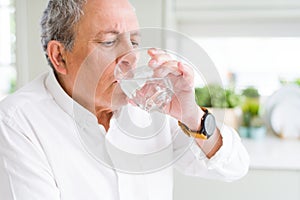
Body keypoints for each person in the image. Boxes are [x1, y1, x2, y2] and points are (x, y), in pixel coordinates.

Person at [0, 0, 249, 199]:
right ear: (60, 56)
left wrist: (191, 115)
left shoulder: (150, 104)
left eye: (134, 41)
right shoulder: (17, 122)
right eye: (109, 41)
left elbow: (234, 167)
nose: (131, 56)